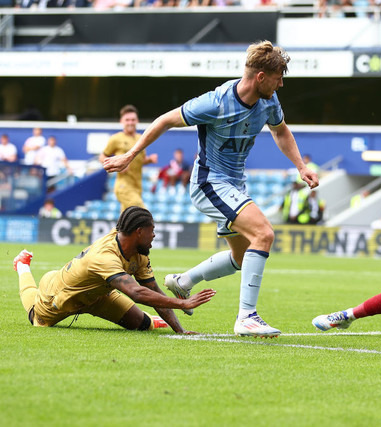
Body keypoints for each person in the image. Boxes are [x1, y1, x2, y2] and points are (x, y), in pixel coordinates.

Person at [103, 41, 319, 338]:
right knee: (264, 234)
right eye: (278, 77)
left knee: (243, 258)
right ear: (260, 77)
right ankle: (247, 317)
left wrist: (301, 166)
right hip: (210, 183)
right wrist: (130, 154)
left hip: (234, 184)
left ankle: (184, 280)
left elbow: (280, 131)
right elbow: (165, 120)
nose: (281, 83)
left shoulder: (269, 101)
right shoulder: (215, 102)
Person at [13, 207, 216, 333]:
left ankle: (154, 320)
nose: (154, 235)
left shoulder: (140, 252)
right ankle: (22, 266)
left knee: (140, 323)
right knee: (35, 315)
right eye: (152, 230)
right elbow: (136, 293)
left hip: (98, 294)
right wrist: (182, 303)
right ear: (138, 232)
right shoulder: (104, 256)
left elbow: (153, 292)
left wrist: (179, 330)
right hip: (59, 296)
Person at [100, 105, 158, 211]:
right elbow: (102, 157)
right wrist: (115, 166)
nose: (130, 122)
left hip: (137, 187)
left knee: (126, 225)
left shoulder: (141, 138)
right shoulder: (116, 139)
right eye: (127, 120)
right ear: (121, 121)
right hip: (124, 187)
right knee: (141, 213)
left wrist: (149, 160)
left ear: (137, 121)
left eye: (133, 120)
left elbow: (140, 160)